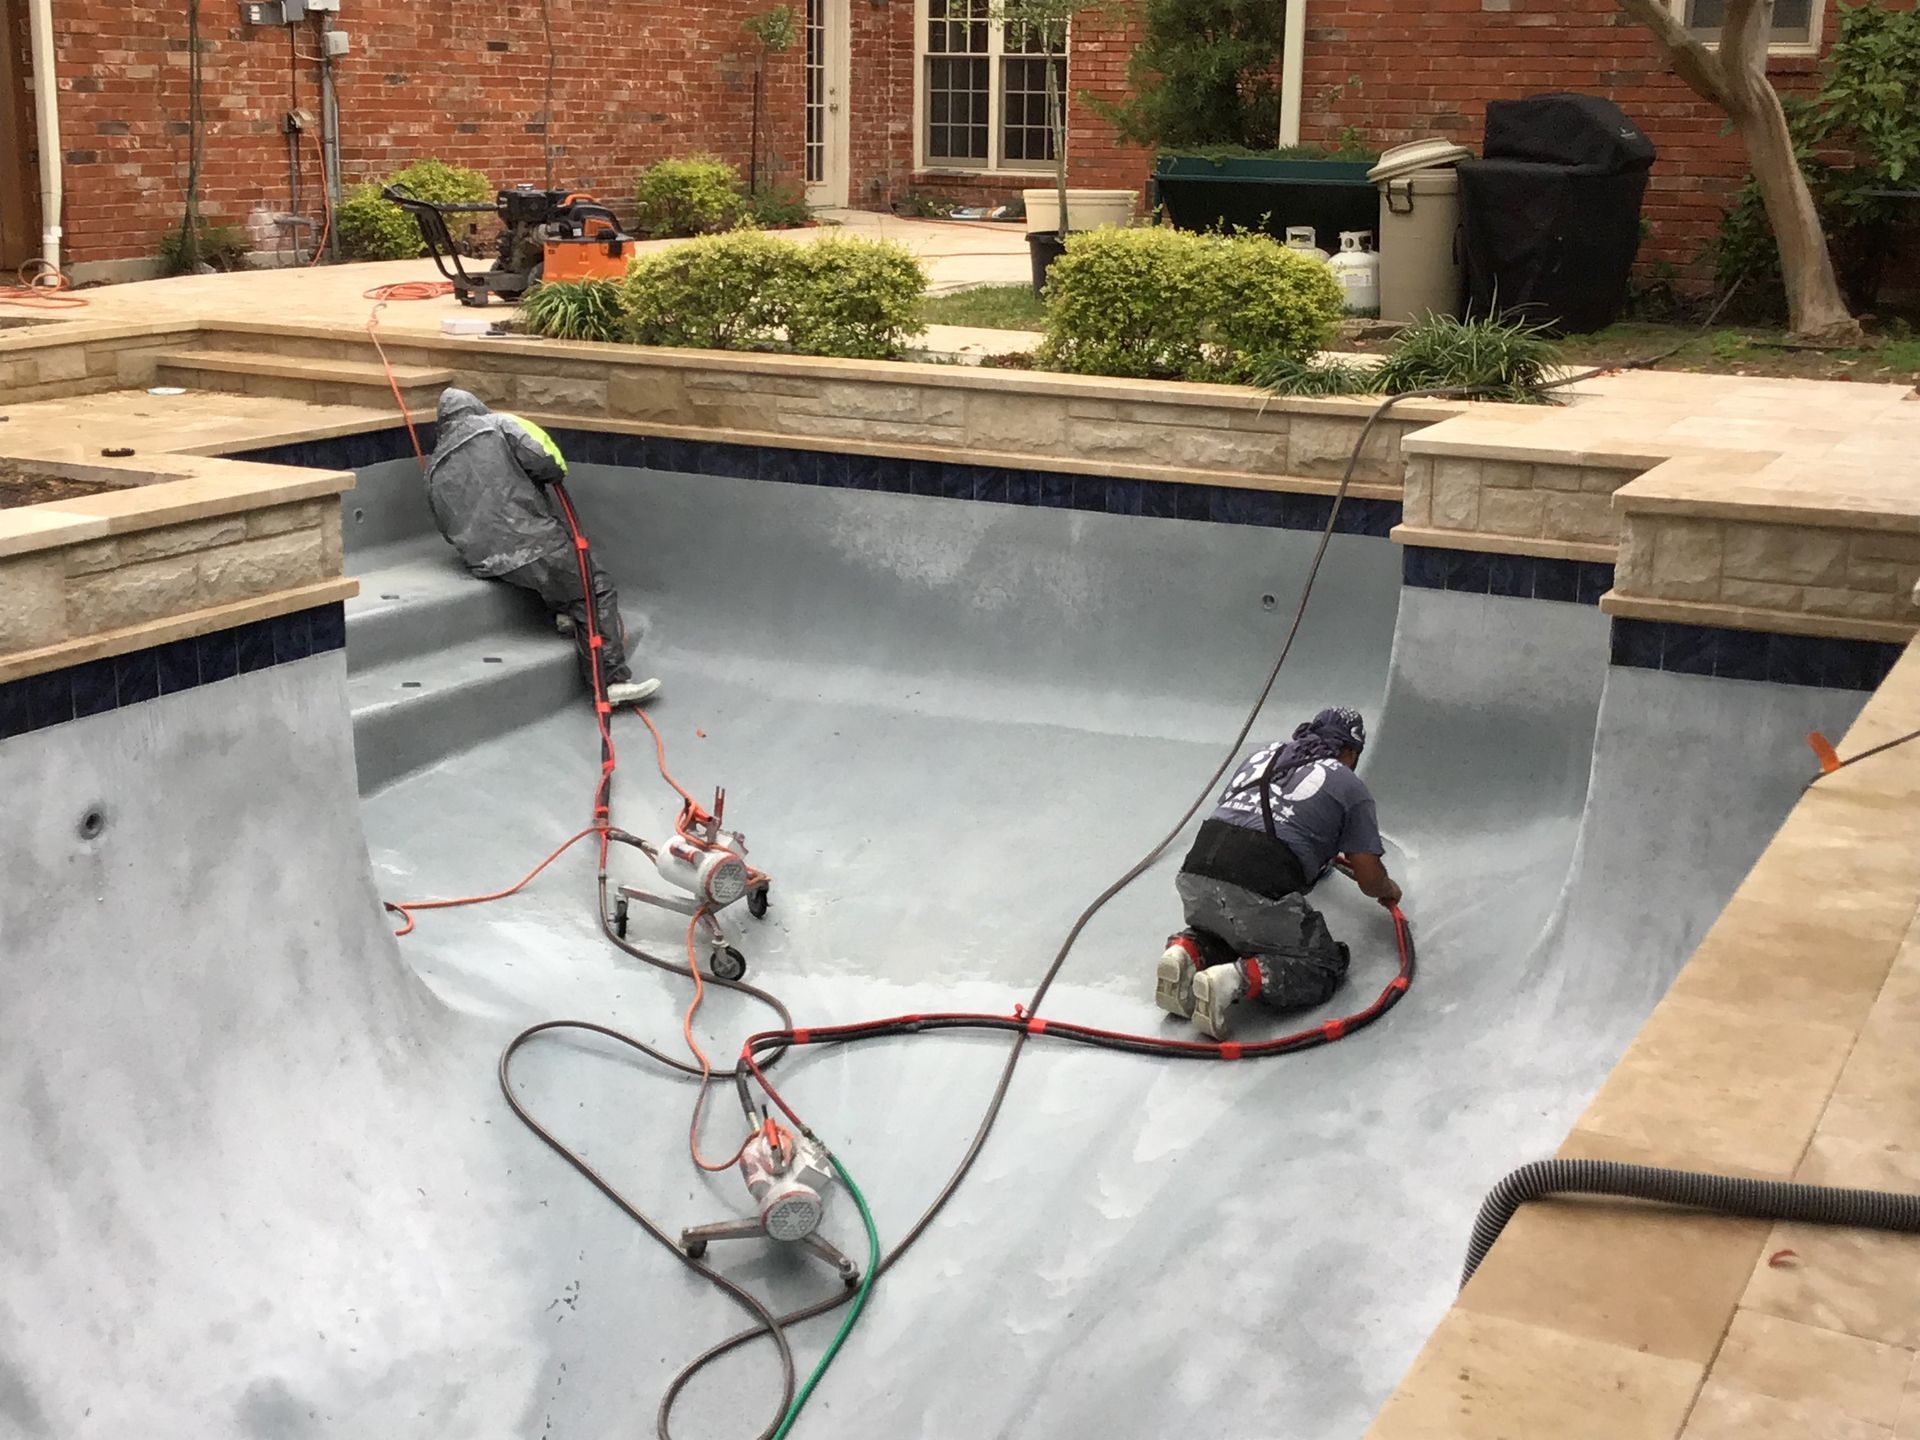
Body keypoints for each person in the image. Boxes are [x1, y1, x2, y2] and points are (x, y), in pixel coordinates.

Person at [1155, 707, 1402, 1040]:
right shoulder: (1348, 784)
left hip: (1198, 869)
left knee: (1233, 929)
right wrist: (1388, 888)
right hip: (1258, 883)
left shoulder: (1263, 754)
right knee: (1322, 964)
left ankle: (1186, 950)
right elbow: (1369, 879)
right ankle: (1231, 981)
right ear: (1350, 751)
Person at [425, 389, 659, 706]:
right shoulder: (497, 426)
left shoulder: (433, 467)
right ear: (476, 407)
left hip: (483, 560)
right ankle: (610, 682)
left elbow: (445, 525)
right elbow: (547, 464)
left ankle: (564, 612)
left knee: (555, 578)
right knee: (595, 588)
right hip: (532, 543)